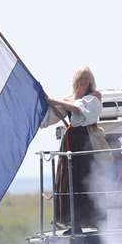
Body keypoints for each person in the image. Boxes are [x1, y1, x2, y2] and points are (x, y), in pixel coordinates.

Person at [47, 66, 106, 233]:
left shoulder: (94, 96)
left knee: (86, 178)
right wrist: (48, 101)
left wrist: (54, 101)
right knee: (69, 180)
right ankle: (74, 223)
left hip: (85, 140)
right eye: (80, 79)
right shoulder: (71, 98)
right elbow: (58, 111)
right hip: (71, 141)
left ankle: (93, 219)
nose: (83, 82)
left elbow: (78, 109)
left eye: (86, 78)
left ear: (91, 81)